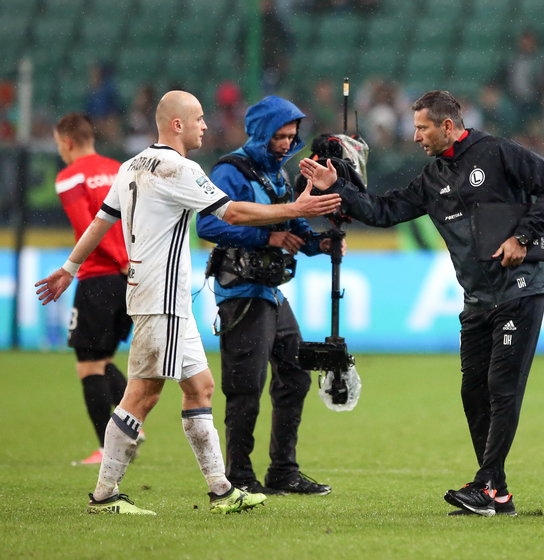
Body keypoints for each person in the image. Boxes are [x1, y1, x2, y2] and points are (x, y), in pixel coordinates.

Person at [35, 90, 342, 515]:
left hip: (163, 298)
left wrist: (69, 267)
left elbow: (100, 222)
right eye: (198, 118)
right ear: (176, 124)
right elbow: (229, 214)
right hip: (160, 299)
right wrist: (297, 207)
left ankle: (222, 490)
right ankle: (104, 496)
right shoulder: (179, 168)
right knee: (141, 396)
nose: (205, 125)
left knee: (201, 388)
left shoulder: (129, 166)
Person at [300, 90, 544, 517]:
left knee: (502, 388)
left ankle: (487, 485)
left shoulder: (499, 153)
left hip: (520, 289)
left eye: (422, 127)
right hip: (477, 298)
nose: (416, 136)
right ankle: (496, 491)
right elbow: (384, 211)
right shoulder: (432, 179)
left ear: (447, 125)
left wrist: (522, 237)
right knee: (472, 392)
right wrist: (338, 188)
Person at [196, 95, 336, 496]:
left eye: (292, 137)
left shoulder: (278, 175)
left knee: (294, 377)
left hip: (270, 292)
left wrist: (320, 244)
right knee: (246, 387)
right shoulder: (231, 170)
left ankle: (282, 471)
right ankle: (238, 476)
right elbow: (208, 224)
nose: (287, 144)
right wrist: (266, 235)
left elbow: (292, 225)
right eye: (279, 136)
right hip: (241, 292)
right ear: (260, 133)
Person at [52, 113, 137, 466]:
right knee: (102, 360)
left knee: (88, 366)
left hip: (99, 275)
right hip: (130, 276)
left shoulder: (70, 176)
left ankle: (110, 449)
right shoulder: (119, 168)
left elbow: (88, 225)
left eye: (59, 145)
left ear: (67, 142)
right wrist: (129, 261)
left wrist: (117, 259)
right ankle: (132, 424)